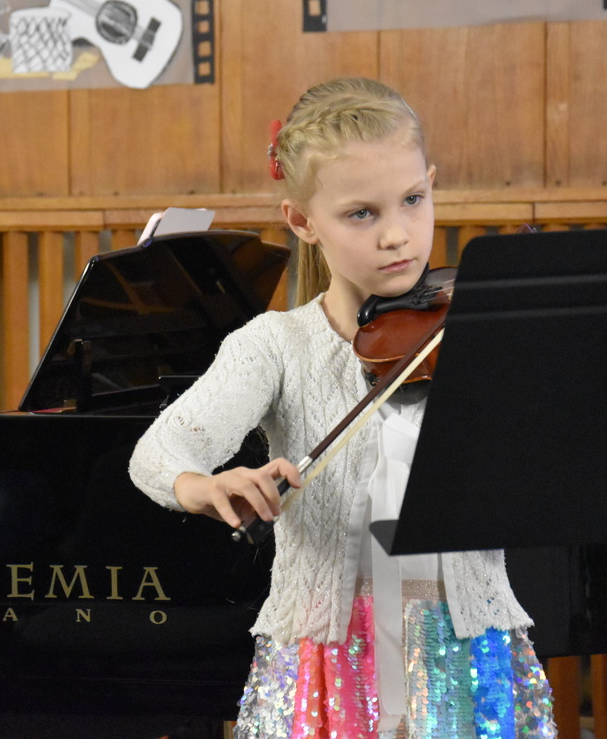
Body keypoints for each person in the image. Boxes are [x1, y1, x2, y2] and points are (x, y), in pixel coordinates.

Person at [128, 77, 556, 739]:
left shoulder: (478, 330)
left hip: (468, 649)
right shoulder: (277, 345)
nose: (397, 235)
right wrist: (204, 485)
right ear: (303, 221)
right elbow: (157, 452)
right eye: (362, 214)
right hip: (324, 663)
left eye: (412, 200)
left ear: (431, 185)